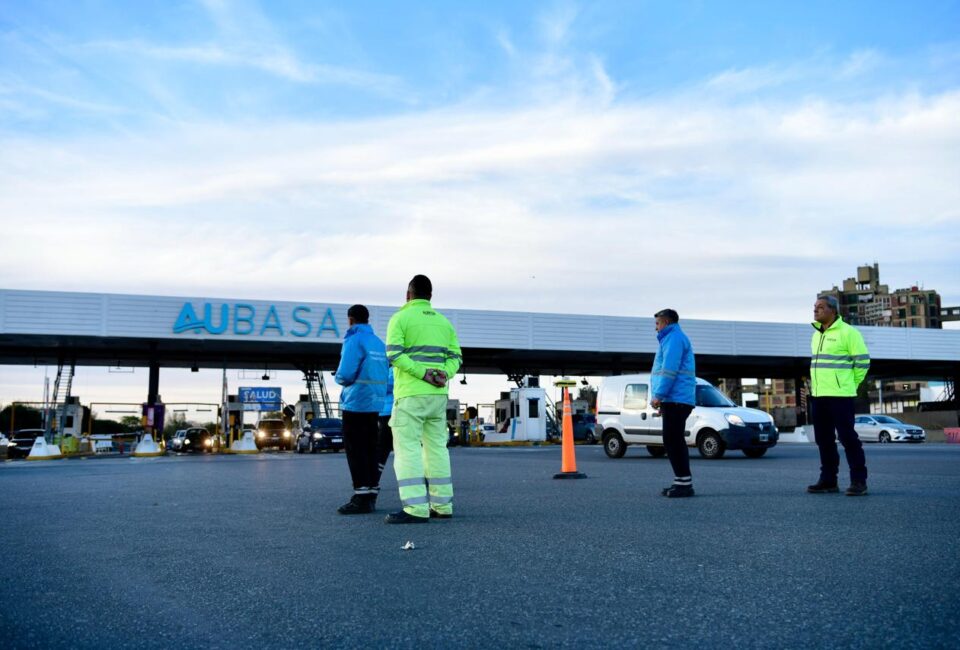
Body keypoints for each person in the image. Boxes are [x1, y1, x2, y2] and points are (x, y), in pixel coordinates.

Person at [384, 274, 462, 524]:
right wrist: (443, 374)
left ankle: (415, 509)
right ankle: (442, 505)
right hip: (438, 396)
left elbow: (394, 355)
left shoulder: (400, 318)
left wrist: (423, 373)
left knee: (407, 450)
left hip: (410, 395)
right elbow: (456, 358)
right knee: (437, 449)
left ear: (408, 295)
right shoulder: (444, 323)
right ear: (430, 296)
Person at [807, 295, 871, 496]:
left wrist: (850, 384)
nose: (815, 310)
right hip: (819, 395)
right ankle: (828, 480)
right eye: (814, 307)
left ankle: (859, 481)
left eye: (820, 307)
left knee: (848, 438)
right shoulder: (816, 335)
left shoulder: (848, 333)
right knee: (823, 440)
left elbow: (862, 362)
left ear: (833, 310)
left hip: (840, 396)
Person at [334, 304, 389, 514]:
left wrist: (338, 378)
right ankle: (371, 493)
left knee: (355, 450)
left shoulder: (354, 340)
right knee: (369, 449)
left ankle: (361, 497)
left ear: (350, 320)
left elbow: (346, 373)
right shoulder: (378, 342)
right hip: (376, 403)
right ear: (368, 320)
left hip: (356, 401)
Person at [650, 308, 697, 498]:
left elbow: (669, 369)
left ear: (666, 323)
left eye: (657, 324)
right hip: (675, 398)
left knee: (673, 440)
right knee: (673, 440)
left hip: (676, 398)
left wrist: (659, 395)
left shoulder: (674, 338)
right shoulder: (672, 338)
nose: (656, 328)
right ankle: (681, 481)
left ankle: (684, 484)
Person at [372, 369, 394, 492]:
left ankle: (373, 480)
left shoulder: (391, 369)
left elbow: (384, 385)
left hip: (388, 411)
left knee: (382, 448)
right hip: (387, 411)